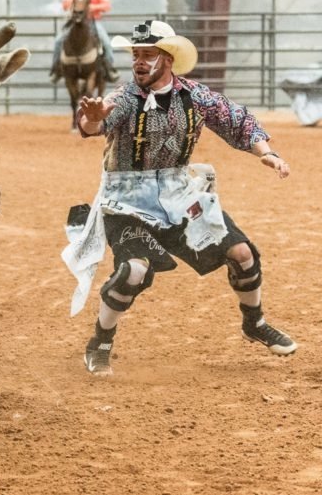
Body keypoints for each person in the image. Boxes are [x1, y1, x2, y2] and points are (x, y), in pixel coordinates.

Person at [68, 20, 297, 377]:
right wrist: (91, 120)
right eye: (136, 55)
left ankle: (255, 322)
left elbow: (238, 120)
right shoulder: (126, 97)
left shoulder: (197, 97)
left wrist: (265, 152)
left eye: (148, 55)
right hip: (127, 202)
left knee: (242, 253)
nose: (139, 62)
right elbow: (96, 122)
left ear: (168, 58)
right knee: (134, 269)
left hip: (179, 195)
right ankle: (100, 342)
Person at [50, 0, 118, 84]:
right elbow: (65, 4)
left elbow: (107, 5)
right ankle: (56, 69)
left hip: (93, 21)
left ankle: (110, 69)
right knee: (58, 41)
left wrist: (92, 7)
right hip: (74, 21)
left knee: (106, 43)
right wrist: (76, 5)